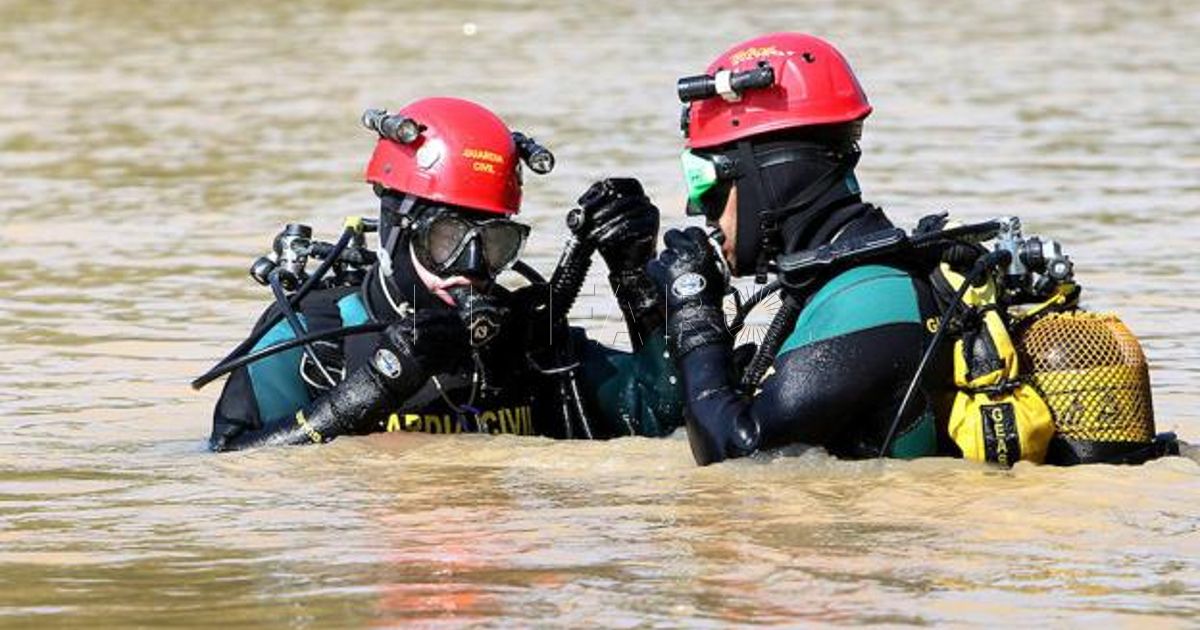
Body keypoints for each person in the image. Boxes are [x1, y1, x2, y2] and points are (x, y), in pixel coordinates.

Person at [649, 32, 1173, 467]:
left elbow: (735, 457)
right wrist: (643, 292)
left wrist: (694, 305)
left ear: (770, 173)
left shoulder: (870, 297)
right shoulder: (833, 288)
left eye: (705, 183)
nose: (700, 210)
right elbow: (690, 415)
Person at [204, 96, 681, 451]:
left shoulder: (529, 345)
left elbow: (672, 417)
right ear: (395, 232)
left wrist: (636, 276)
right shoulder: (314, 339)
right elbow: (226, 469)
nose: (471, 269)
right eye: (447, 241)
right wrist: (367, 391)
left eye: (495, 245)